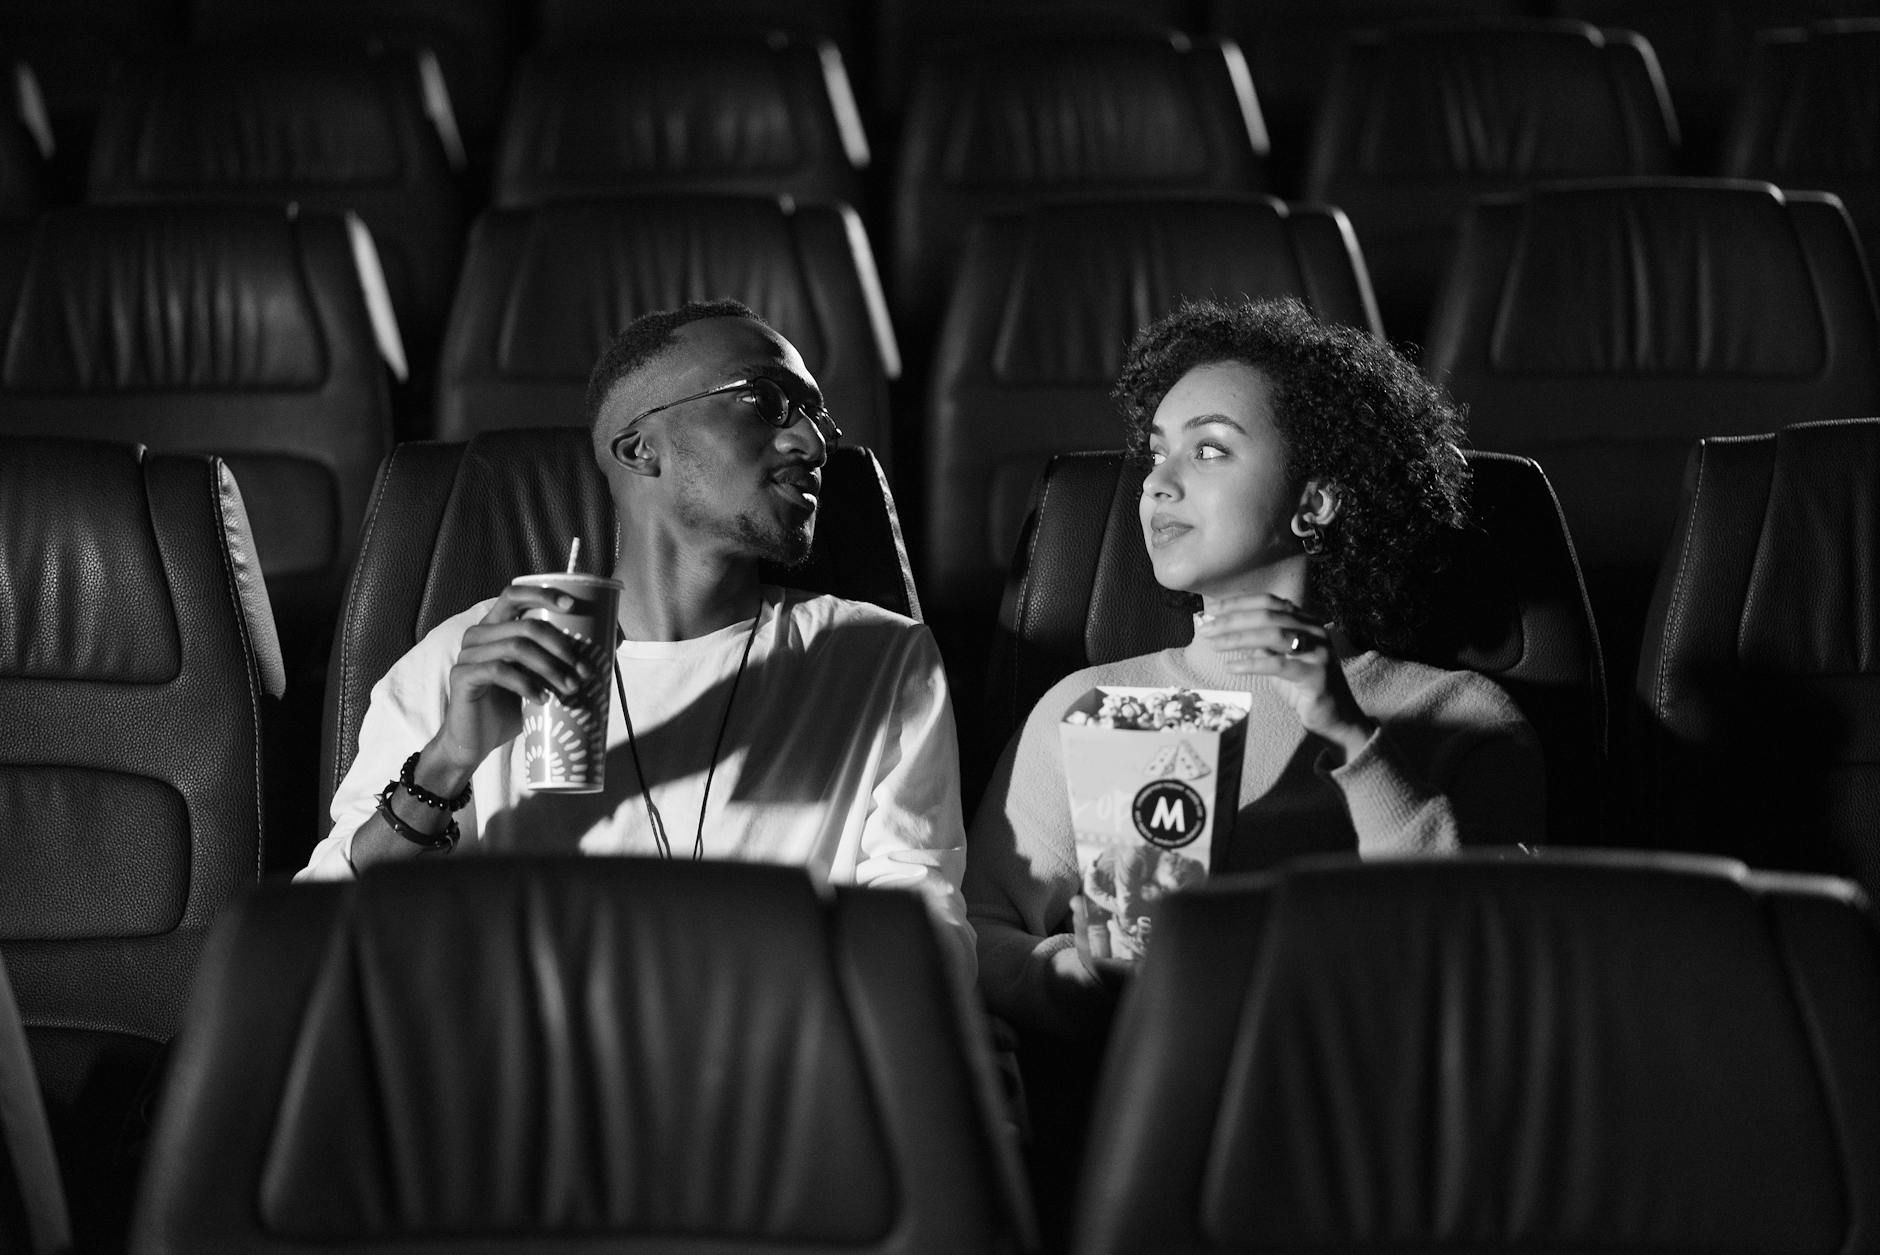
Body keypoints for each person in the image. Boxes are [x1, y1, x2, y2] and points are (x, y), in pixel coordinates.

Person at [300, 299, 973, 971]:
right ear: (639, 448)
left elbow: (930, 950)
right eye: (767, 401)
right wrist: (447, 762)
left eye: (815, 414)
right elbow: (322, 946)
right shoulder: (468, 659)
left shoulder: (882, 660)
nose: (814, 443)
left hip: (772, 1064)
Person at [966, 297, 1545, 1041]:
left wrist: (1349, 733)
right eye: (1154, 452)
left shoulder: (1462, 715)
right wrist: (1077, 977)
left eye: (1208, 450)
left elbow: (1482, 954)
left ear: (1318, 500)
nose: (1157, 483)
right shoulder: (1090, 705)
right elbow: (979, 931)